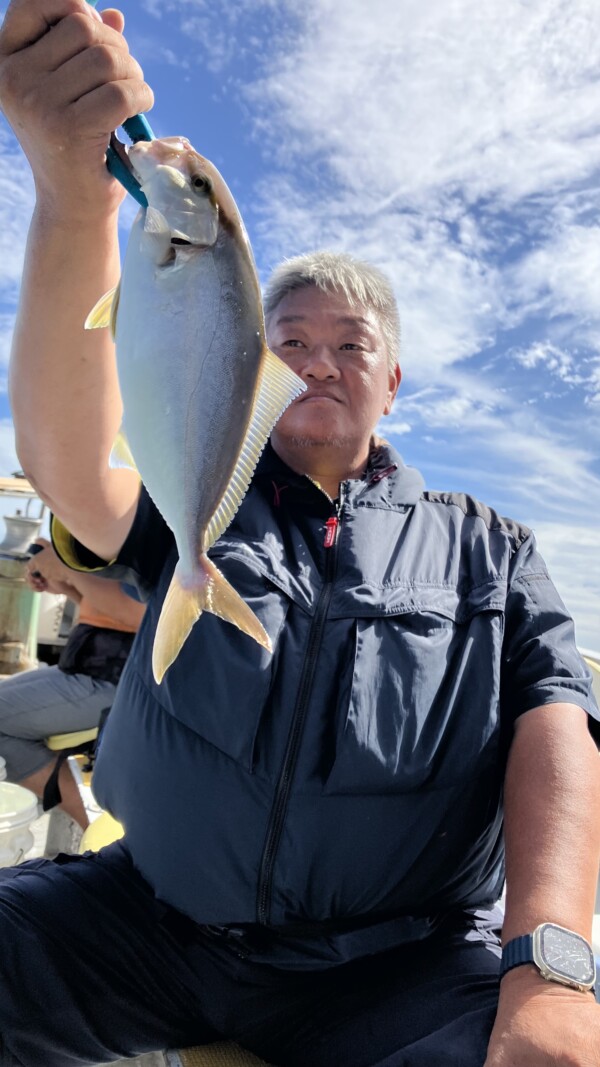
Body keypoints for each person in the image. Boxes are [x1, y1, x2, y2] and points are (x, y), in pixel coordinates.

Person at [0, 3, 599, 1066]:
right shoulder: (204, 496)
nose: (318, 363)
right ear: (250, 360)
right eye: (289, 340)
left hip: (394, 968)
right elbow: (70, 462)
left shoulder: (492, 548)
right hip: (148, 925)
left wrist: (547, 962)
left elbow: (557, 724)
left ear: (394, 381)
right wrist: (66, 190)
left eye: (350, 344)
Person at [0, 537, 145, 835]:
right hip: (86, 669)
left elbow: (140, 616)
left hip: (114, 679)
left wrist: (70, 568)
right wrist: (63, 584)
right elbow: (107, 613)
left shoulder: (148, 544)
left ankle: (93, 826)